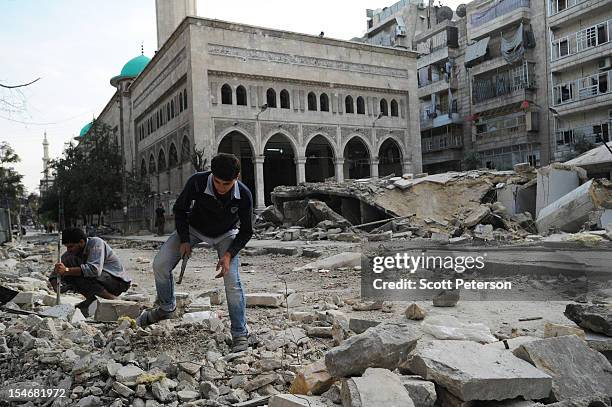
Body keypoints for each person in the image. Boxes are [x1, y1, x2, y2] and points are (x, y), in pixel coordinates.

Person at [136, 153, 253, 352]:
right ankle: (166, 308)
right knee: (160, 264)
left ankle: (240, 333)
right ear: (211, 175)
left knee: (232, 281)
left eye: (227, 184)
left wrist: (229, 254)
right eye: (217, 182)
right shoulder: (197, 182)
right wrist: (184, 239)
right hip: (193, 229)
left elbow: (247, 231)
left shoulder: (244, 194)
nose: (221, 188)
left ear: (237, 178)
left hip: (226, 234)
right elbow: (180, 210)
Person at [49, 227, 131, 316]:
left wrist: (67, 270)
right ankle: (93, 300)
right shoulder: (70, 254)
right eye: (67, 247)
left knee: (83, 273)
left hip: (117, 282)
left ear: (81, 242)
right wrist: (56, 285)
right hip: (101, 282)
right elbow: (54, 274)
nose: (69, 250)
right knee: (71, 278)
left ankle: (113, 300)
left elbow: (94, 270)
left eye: (71, 246)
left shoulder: (96, 243)